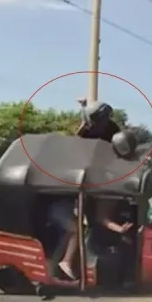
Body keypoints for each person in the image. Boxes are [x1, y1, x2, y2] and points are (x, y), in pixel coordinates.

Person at [51, 100, 122, 280]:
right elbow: (75, 145)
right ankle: (70, 263)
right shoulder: (86, 130)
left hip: (102, 178)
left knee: (91, 223)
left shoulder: (113, 130)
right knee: (79, 226)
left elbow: (122, 146)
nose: (100, 123)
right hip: (85, 178)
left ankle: (84, 263)